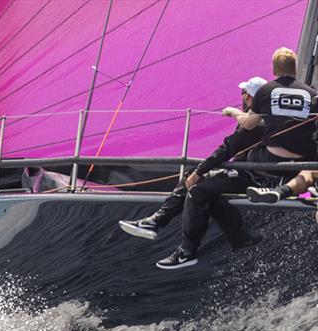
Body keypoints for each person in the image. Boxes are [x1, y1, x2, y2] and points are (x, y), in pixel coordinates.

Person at [156, 48, 317, 269]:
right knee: (213, 185)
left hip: (267, 164)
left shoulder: (266, 91)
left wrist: (233, 112)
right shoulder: (312, 93)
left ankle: (183, 245)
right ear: (295, 68)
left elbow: (247, 126)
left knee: (203, 188)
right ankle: (240, 236)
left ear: (274, 70)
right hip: (302, 164)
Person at [119, 76, 267, 246]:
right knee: (204, 186)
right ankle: (238, 238)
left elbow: (227, 149)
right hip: (249, 172)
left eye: (243, 93)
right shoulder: (264, 119)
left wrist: (199, 172)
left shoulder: (253, 125)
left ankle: (166, 228)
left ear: (248, 97)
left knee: (198, 185)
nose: (241, 97)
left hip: (250, 176)